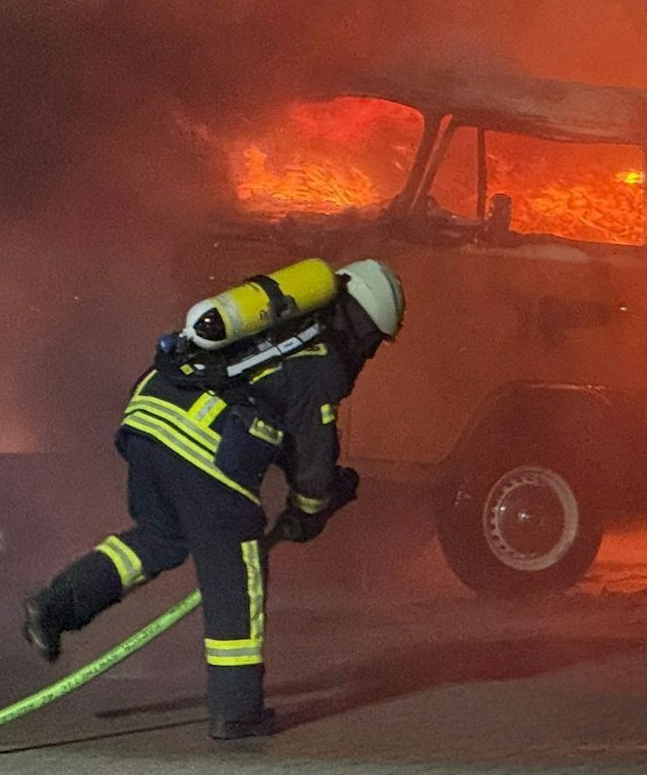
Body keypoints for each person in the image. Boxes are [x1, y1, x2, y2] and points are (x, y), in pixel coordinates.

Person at [21, 258, 404, 740]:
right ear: (364, 326)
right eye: (373, 344)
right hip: (202, 449)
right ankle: (238, 710)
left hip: (149, 420)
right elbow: (312, 455)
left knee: (158, 538)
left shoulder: (278, 331)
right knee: (235, 574)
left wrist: (316, 490)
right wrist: (311, 509)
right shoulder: (320, 360)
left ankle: (56, 606)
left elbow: (275, 423)